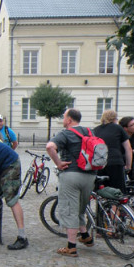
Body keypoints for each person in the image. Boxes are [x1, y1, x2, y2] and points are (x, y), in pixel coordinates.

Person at [45, 108, 97, 257]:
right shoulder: (89, 131)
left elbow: (50, 147)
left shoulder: (66, 133)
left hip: (71, 175)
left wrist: (59, 162)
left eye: (64, 117)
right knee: (80, 207)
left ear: (69, 120)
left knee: (69, 210)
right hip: (90, 175)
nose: (63, 120)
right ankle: (85, 236)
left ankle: (71, 246)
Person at [93, 109, 132, 192]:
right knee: (118, 191)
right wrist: (128, 165)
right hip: (115, 162)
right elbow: (128, 148)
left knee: (102, 191)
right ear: (114, 119)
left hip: (100, 163)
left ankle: (102, 205)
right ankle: (116, 205)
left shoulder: (95, 130)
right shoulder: (118, 128)